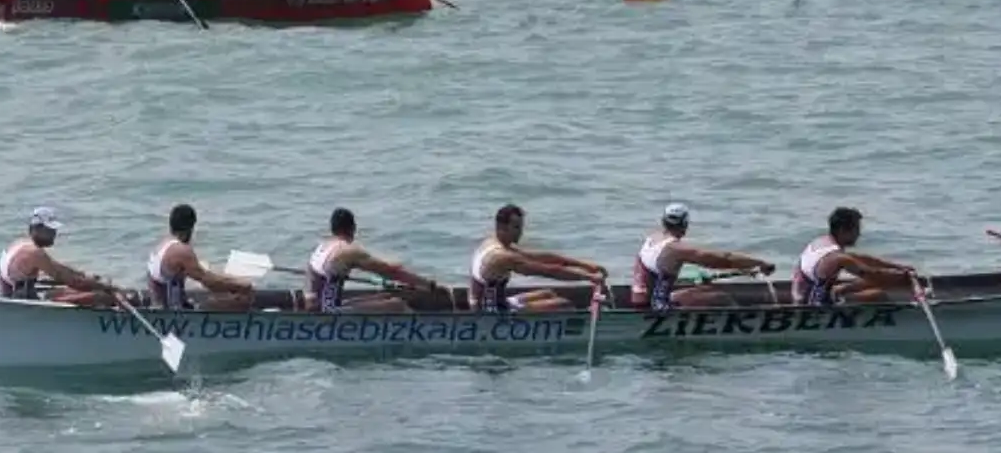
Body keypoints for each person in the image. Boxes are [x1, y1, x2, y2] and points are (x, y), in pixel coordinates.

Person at [630, 204, 775, 312]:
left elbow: (658, 274)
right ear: (685, 224)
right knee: (720, 297)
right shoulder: (676, 249)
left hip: (640, 300)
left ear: (663, 222)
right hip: (659, 308)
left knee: (704, 290)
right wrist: (759, 263)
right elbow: (725, 259)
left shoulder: (652, 239)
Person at [469, 204, 606, 314]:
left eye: (521, 227)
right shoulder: (500, 256)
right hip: (491, 312)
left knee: (548, 293)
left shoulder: (493, 243)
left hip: (495, 302)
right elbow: (549, 271)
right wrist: (589, 277)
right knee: (564, 304)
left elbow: (540, 257)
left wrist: (584, 265)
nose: (521, 232)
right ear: (501, 227)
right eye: (516, 227)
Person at [307, 208, 439, 314]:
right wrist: (429, 285)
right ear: (353, 228)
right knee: (397, 305)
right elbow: (390, 273)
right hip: (330, 311)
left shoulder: (322, 247)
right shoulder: (348, 250)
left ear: (332, 229)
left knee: (385, 297)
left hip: (317, 305)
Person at [791, 207, 918, 306]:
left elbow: (862, 259)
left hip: (804, 296)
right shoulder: (838, 258)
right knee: (878, 294)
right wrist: (902, 279)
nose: (859, 234)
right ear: (842, 230)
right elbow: (874, 275)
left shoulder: (822, 243)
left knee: (866, 283)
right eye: (856, 229)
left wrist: (898, 267)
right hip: (814, 305)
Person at [0, 207, 120, 306]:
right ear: (36, 229)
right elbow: (71, 281)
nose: (54, 234)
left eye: (54, 230)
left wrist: (83, 275)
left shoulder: (19, 244)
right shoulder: (34, 253)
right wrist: (105, 287)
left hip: (15, 297)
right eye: (49, 230)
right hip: (22, 304)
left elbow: (58, 267)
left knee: (63, 291)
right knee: (101, 297)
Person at [146, 203, 256, 311]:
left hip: (160, 305)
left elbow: (200, 274)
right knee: (243, 298)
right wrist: (242, 286)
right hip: (173, 310)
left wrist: (233, 280)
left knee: (223, 292)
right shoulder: (182, 251)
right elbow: (211, 284)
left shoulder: (163, 245)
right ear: (191, 227)